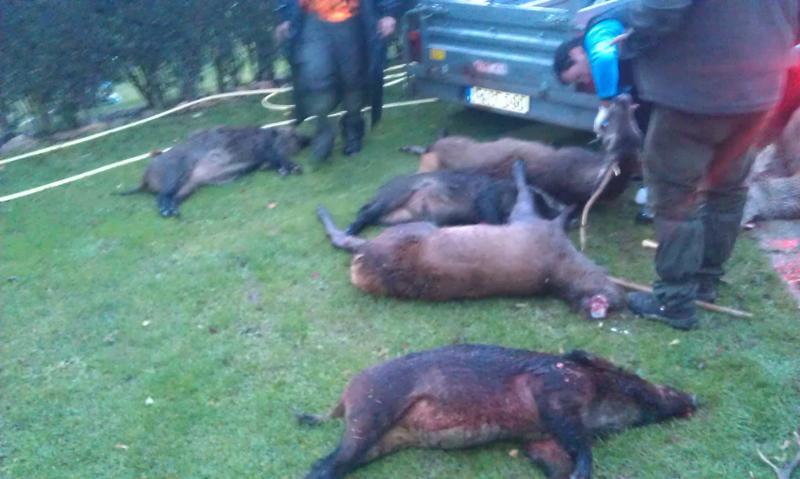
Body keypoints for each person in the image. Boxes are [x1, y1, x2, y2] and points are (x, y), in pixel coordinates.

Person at [613, 0, 798, 330]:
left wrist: (631, 33)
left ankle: (674, 300)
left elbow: (660, 9)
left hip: (694, 93)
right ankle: (705, 281)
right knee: (728, 190)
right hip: (758, 95)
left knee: (675, 197)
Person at [553, 11, 654, 223]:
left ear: (577, 53)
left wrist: (605, 106)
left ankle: (661, 201)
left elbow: (604, 57)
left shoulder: (598, 31)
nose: (585, 80)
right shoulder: (612, 69)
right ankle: (651, 187)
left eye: (579, 75)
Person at [276, 0, 400, 164]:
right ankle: (323, 129)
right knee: (314, 77)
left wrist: (388, 13)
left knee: (353, 80)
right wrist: (286, 15)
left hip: (353, 19)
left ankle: (353, 129)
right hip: (313, 20)